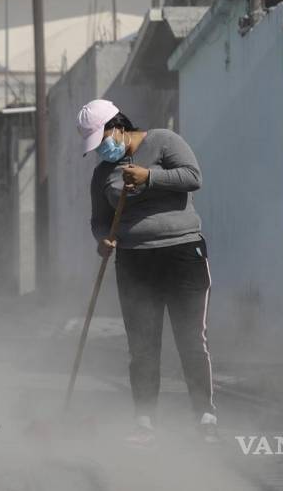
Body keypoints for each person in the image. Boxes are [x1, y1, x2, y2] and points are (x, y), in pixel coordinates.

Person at [77, 98, 217, 446]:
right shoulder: (102, 174)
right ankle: (144, 422)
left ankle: (204, 417)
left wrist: (149, 176)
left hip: (183, 253)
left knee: (191, 340)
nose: (102, 150)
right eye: (95, 147)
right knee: (142, 345)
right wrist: (102, 240)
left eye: (103, 140)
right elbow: (99, 220)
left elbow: (193, 177)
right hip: (135, 261)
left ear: (118, 126)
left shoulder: (164, 141)